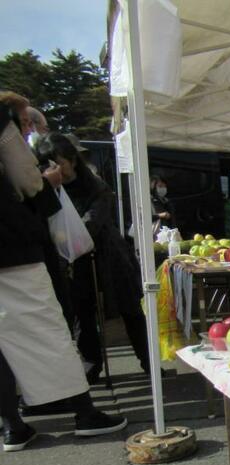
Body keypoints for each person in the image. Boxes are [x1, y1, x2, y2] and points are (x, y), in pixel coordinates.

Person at [0, 104, 126, 451]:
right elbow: (28, 181)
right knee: (48, 328)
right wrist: (47, 183)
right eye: (25, 125)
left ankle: (12, 425)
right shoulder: (2, 126)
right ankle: (84, 413)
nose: (27, 131)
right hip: (12, 250)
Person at [36, 132, 152, 380]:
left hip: (108, 255)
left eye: (60, 164)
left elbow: (93, 222)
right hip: (73, 262)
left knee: (129, 307)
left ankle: (148, 360)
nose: (55, 170)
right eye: (49, 165)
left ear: (72, 160)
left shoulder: (95, 186)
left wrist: (69, 235)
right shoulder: (46, 190)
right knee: (82, 312)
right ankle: (91, 364)